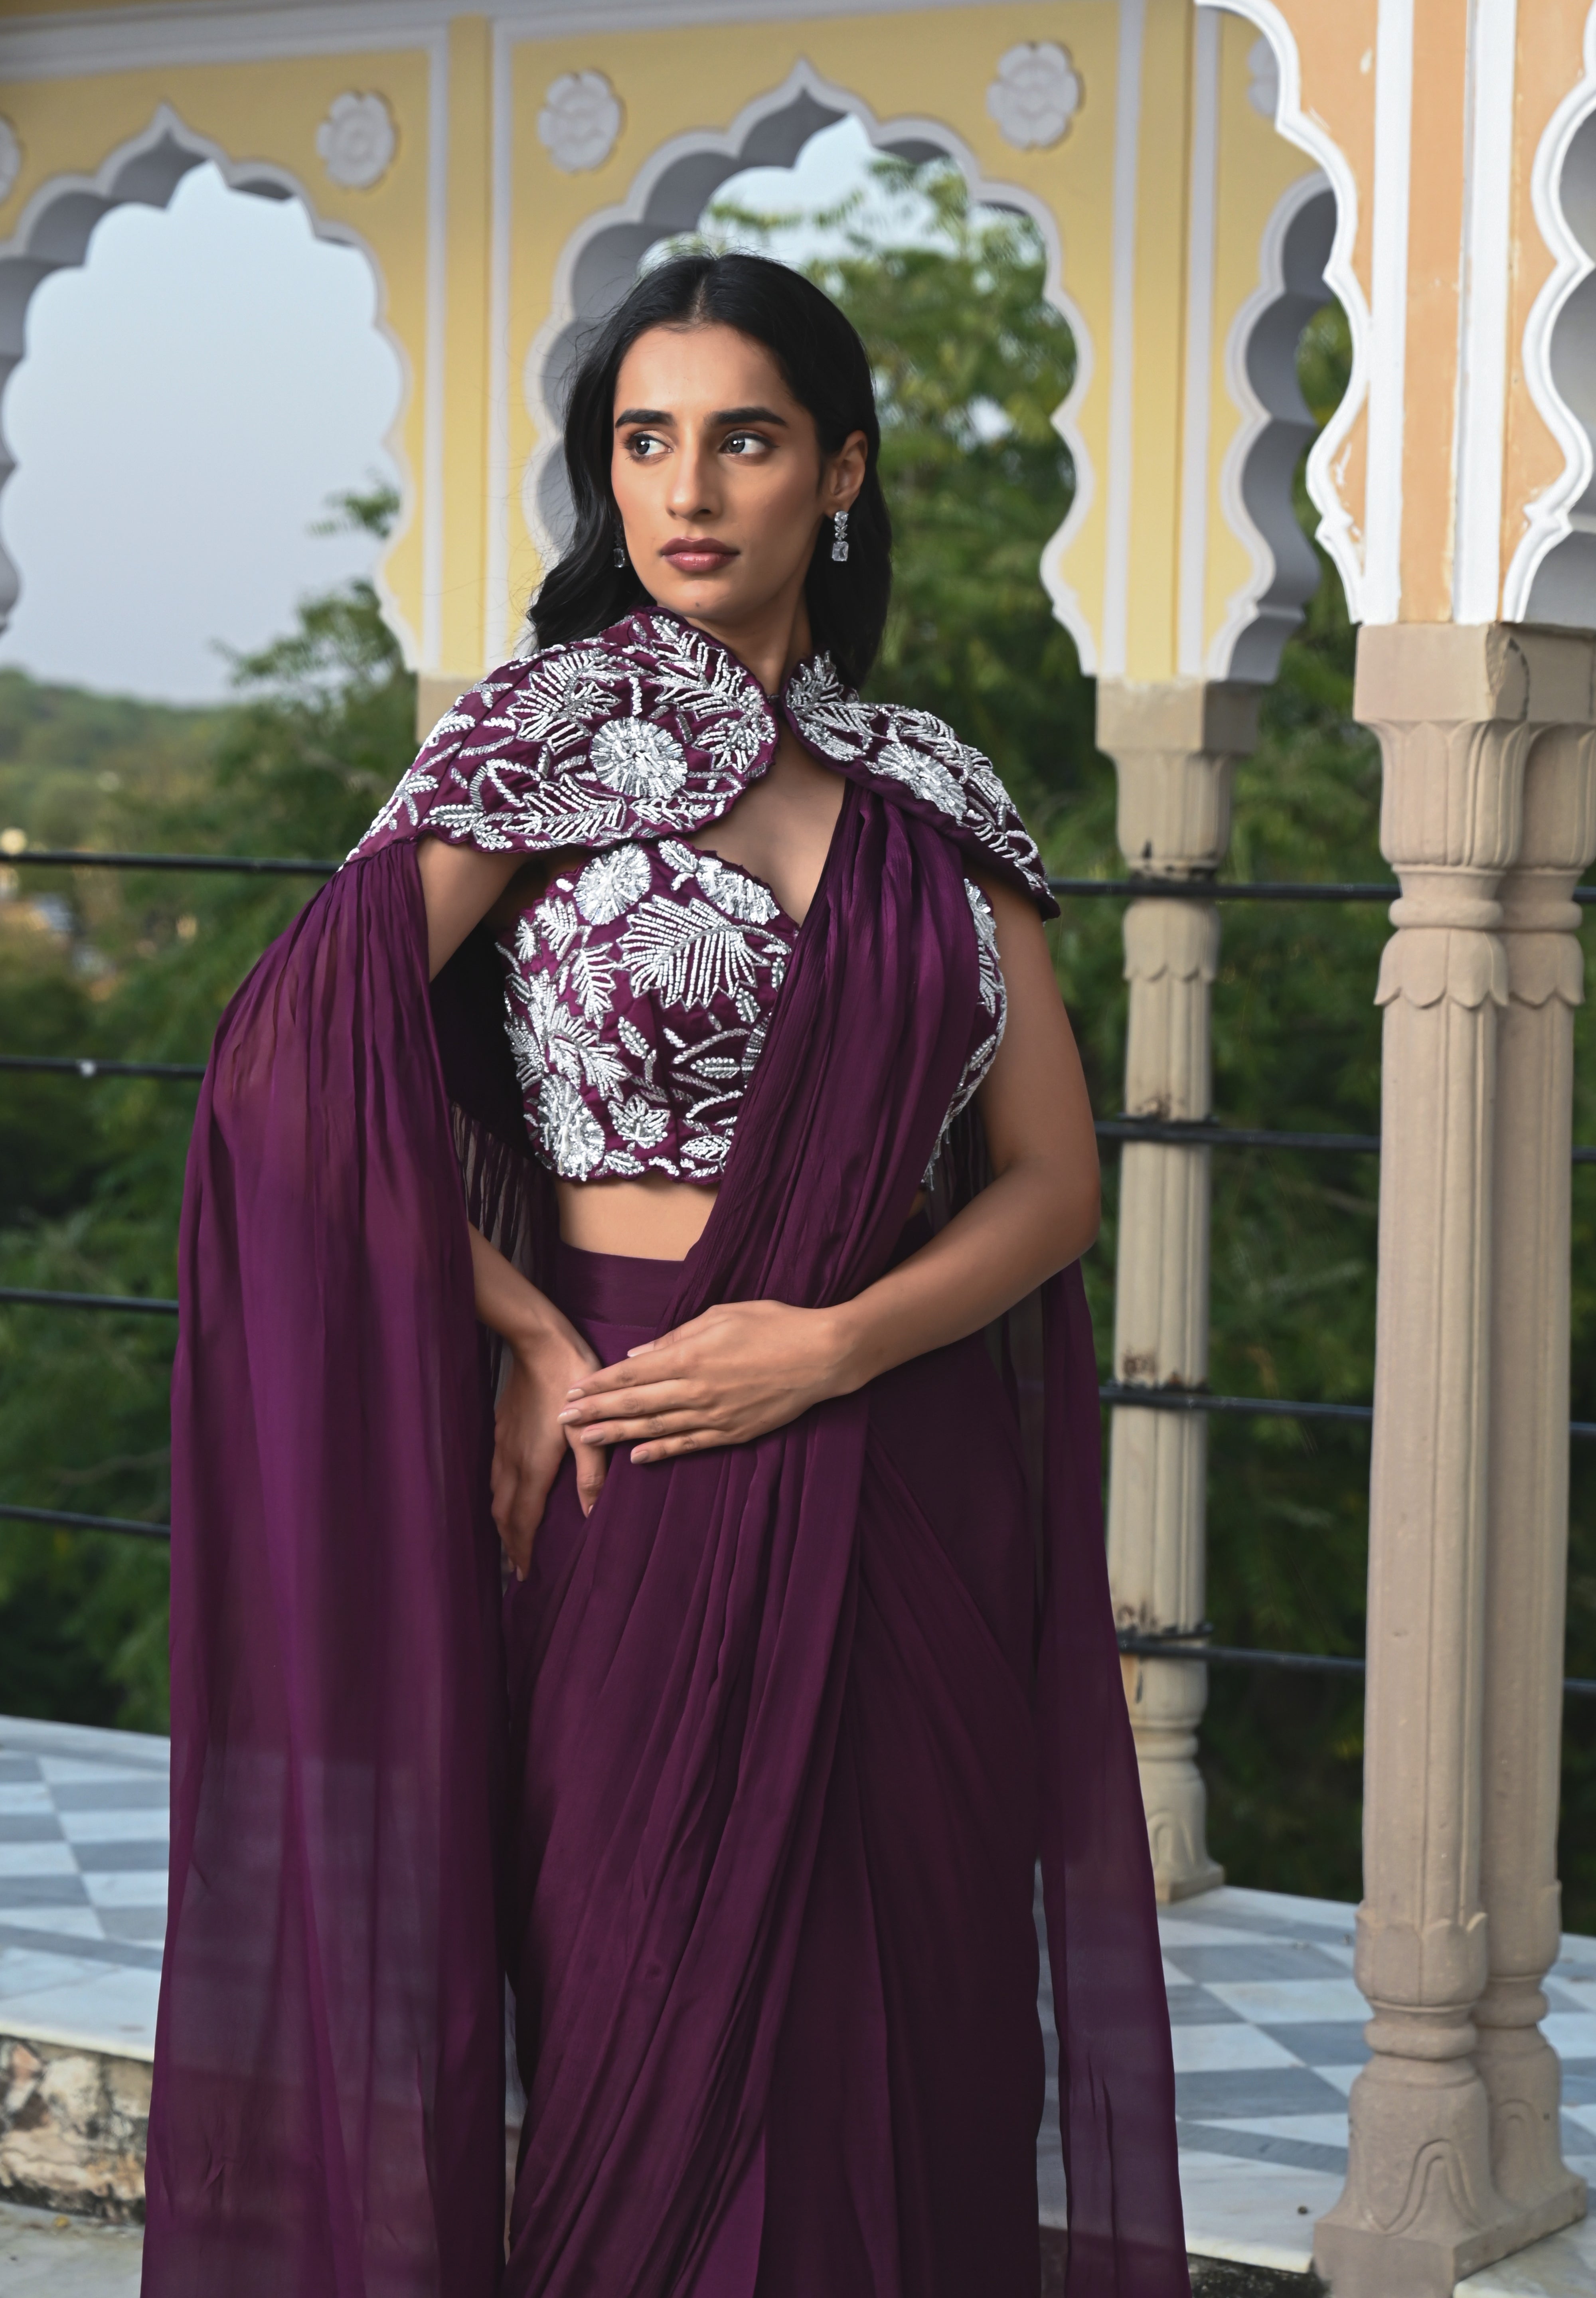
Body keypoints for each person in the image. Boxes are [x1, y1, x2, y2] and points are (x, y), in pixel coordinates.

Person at [141, 253, 1185, 2298]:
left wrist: (832, 1345)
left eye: (746, 437)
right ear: (602, 480)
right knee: (647, 2021)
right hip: (625, 1454)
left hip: (902, 1463)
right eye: (643, 440)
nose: (689, 488)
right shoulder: (545, 739)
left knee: (915, 2026)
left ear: (841, 476)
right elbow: (280, 1080)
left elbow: (1053, 1185)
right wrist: (521, 1335)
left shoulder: (936, 793)